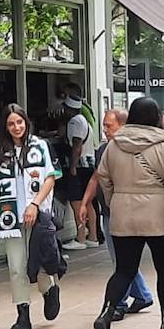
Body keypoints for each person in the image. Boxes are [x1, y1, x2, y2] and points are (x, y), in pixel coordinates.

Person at [93, 96, 164, 329]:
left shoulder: (114, 145)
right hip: (160, 214)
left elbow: (103, 176)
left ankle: (105, 315)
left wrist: (116, 201)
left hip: (124, 214)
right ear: (156, 117)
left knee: (124, 269)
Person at [0, 104, 65, 329]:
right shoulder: (2, 152)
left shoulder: (40, 146)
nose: (16, 127)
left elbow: (50, 178)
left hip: (37, 216)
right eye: (11, 123)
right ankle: (23, 315)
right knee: (16, 267)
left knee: (38, 263)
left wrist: (35, 204)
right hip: (11, 220)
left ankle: (49, 289)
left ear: (26, 122)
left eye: (19, 122)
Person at [78, 108, 153, 319]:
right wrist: (85, 203)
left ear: (123, 126)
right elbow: (95, 177)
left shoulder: (135, 150)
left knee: (121, 261)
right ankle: (142, 295)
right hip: (108, 212)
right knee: (122, 260)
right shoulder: (103, 150)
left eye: (109, 126)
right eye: (103, 126)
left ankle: (118, 302)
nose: (105, 131)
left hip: (127, 212)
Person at [61, 95, 100, 250]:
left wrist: (72, 166)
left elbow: (77, 145)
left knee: (76, 202)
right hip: (89, 164)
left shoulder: (75, 121)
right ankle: (93, 237)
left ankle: (81, 238)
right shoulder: (85, 121)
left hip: (80, 165)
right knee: (87, 201)